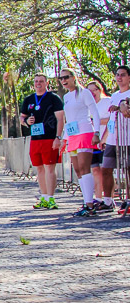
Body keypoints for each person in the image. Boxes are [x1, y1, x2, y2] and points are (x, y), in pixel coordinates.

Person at [57, 68, 102, 216]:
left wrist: (97, 132)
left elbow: (94, 112)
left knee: (84, 167)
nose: (64, 80)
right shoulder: (67, 97)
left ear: (73, 77)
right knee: (77, 169)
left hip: (85, 132)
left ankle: (90, 204)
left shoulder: (84, 93)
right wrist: (64, 138)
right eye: (61, 78)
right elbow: (68, 119)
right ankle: (86, 201)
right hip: (73, 134)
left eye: (66, 77)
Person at [19, 74, 63, 210]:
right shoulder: (29, 99)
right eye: (36, 81)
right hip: (35, 139)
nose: (38, 83)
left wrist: (58, 137)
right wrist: (26, 122)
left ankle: (51, 198)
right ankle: (43, 197)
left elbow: (61, 119)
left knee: (50, 167)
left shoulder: (53, 98)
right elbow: (22, 117)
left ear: (46, 83)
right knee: (39, 168)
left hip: (50, 137)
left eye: (41, 81)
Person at [101, 66, 130, 212]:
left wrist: (121, 107)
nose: (119, 78)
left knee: (128, 170)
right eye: (117, 75)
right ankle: (108, 201)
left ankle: (128, 200)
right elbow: (111, 119)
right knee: (106, 168)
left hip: (127, 138)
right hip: (113, 138)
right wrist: (103, 138)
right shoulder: (114, 95)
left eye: (123, 75)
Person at [87, 81, 111, 210]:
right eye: (89, 91)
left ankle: (109, 199)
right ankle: (98, 198)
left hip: (106, 140)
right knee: (95, 170)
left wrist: (96, 121)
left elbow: (111, 119)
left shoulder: (107, 102)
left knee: (106, 170)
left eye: (94, 90)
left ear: (100, 89)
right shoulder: (87, 105)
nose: (92, 93)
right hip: (91, 142)